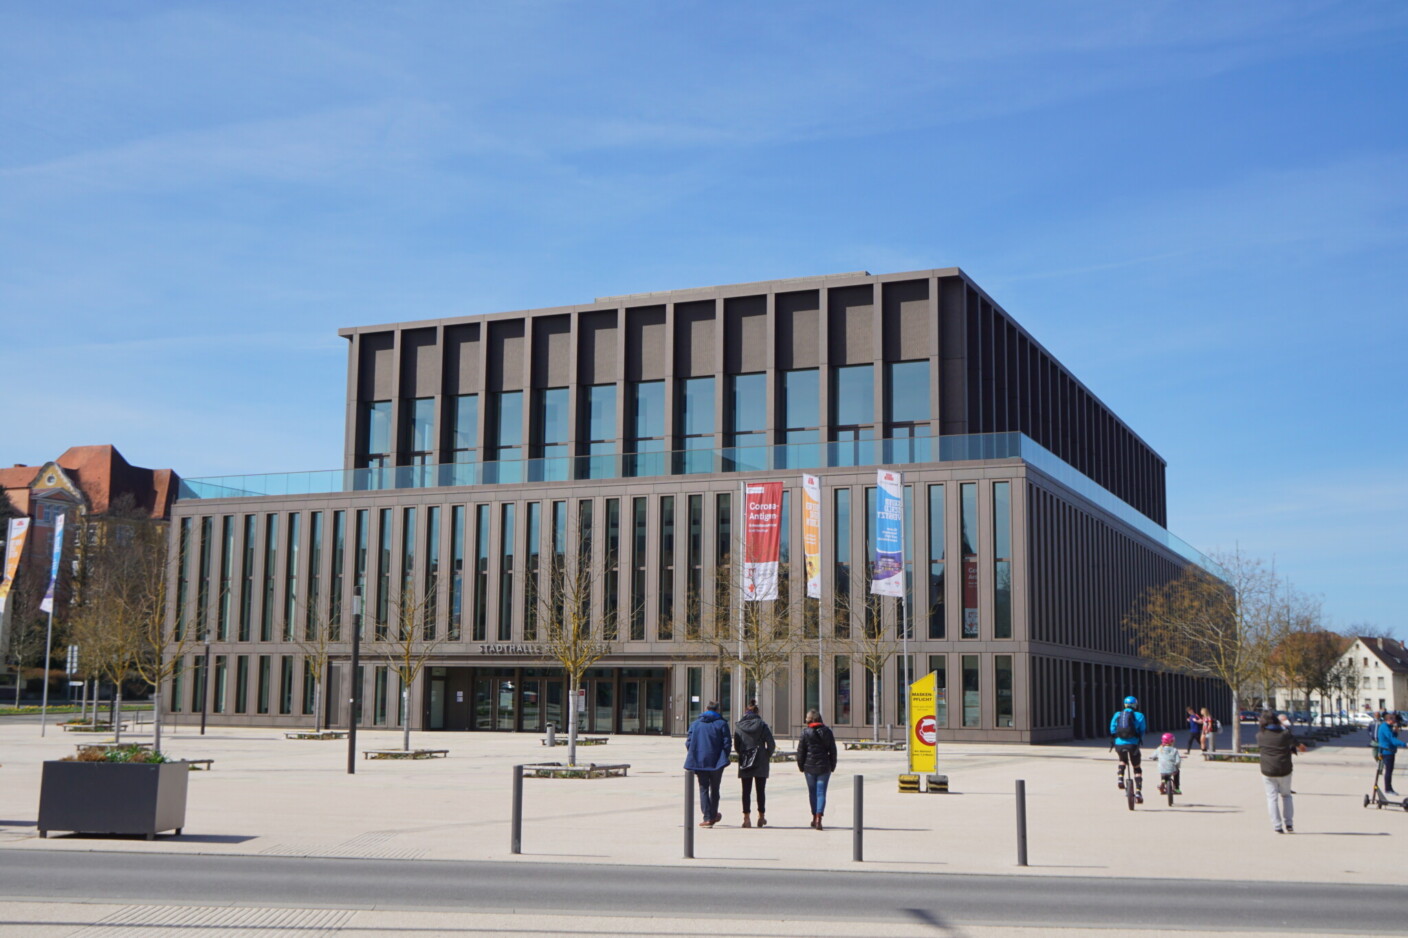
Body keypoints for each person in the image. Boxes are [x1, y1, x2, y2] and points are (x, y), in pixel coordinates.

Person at [1257, 709, 1305, 833]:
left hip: (1267, 769)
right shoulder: (1285, 734)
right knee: (1286, 796)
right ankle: (1289, 824)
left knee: (1271, 797)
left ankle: (1277, 826)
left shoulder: (1260, 736)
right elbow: (1301, 747)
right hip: (1284, 768)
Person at [684, 701, 731, 828]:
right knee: (715, 789)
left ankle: (707, 817)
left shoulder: (695, 724)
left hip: (700, 761)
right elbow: (727, 743)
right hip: (717, 762)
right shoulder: (722, 723)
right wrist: (723, 755)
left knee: (703, 788)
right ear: (718, 710)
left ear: (705, 709)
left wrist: (696, 753)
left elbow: (688, 742)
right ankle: (713, 814)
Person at [733, 699, 776, 828]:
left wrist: (743, 754)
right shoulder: (762, 725)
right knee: (760, 790)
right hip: (760, 761)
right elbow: (771, 744)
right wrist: (766, 754)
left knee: (745, 791)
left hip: (746, 760)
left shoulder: (739, 727)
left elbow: (736, 745)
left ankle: (746, 818)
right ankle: (761, 816)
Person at [796, 708, 837, 830]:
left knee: (812, 793)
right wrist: (833, 765)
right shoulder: (828, 732)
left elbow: (800, 751)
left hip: (809, 767)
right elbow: (833, 750)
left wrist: (800, 765)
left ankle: (814, 816)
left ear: (808, 720)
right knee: (821, 793)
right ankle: (819, 817)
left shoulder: (805, 732)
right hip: (824, 767)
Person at [1110, 695, 1147, 802]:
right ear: (1135, 704)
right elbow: (1142, 730)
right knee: (1137, 767)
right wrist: (1138, 738)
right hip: (1133, 744)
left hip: (1119, 744)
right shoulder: (1140, 715)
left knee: (1122, 760)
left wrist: (1116, 738)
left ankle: (1120, 777)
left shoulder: (1117, 714)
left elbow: (1112, 728)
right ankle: (1138, 792)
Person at [1375, 711, 1405, 796]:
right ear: (1389, 720)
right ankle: (1388, 789)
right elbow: (1392, 740)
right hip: (1387, 752)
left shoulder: (1388, 727)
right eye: (1394, 720)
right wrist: (1404, 744)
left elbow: (1392, 737)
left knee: (1390, 770)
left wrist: (1395, 731)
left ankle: (1389, 788)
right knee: (1388, 771)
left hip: (1389, 751)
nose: (1395, 721)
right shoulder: (1385, 727)